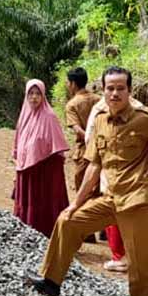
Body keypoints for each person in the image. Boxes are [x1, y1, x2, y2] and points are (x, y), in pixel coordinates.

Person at [27, 66, 148, 296]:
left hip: (139, 199)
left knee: (141, 266)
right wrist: (75, 204)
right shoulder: (101, 120)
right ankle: (50, 281)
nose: (114, 93)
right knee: (67, 221)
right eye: (110, 88)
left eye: (120, 88)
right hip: (111, 197)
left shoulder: (143, 117)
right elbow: (94, 166)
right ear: (103, 91)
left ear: (129, 90)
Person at [85, 90, 143, 273]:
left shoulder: (100, 109)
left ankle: (120, 257)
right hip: (133, 173)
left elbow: (90, 138)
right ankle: (133, 256)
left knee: (115, 213)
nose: (115, 93)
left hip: (115, 172)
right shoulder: (139, 108)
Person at [12, 79, 70, 237]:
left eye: (38, 94)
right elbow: (19, 140)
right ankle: (26, 230)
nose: (34, 97)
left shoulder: (49, 117)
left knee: (42, 201)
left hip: (44, 169)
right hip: (27, 167)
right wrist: (20, 159)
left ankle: (47, 232)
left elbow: (56, 146)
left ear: (43, 95)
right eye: (30, 94)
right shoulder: (25, 115)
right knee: (28, 201)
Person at [63, 67, 98, 244]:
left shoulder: (72, 105)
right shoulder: (99, 100)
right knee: (101, 189)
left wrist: (89, 139)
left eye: (68, 82)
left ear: (73, 84)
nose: (67, 85)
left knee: (83, 188)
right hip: (104, 149)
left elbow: (77, 129)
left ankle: (88, 230)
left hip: (85, 151)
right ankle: (106, 227)